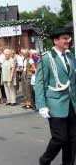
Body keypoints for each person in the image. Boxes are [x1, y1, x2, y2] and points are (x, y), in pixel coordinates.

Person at [35, 27, 76, 165]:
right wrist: (42, 105)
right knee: (60, 138)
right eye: (65, 38)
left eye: (69, 38)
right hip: (56, 104)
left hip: (72, 103)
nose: (68, 41)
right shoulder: (46, 58)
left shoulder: (70, 56)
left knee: (72, 139)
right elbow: (40, 83)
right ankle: (44, 160)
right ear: (56, 41)